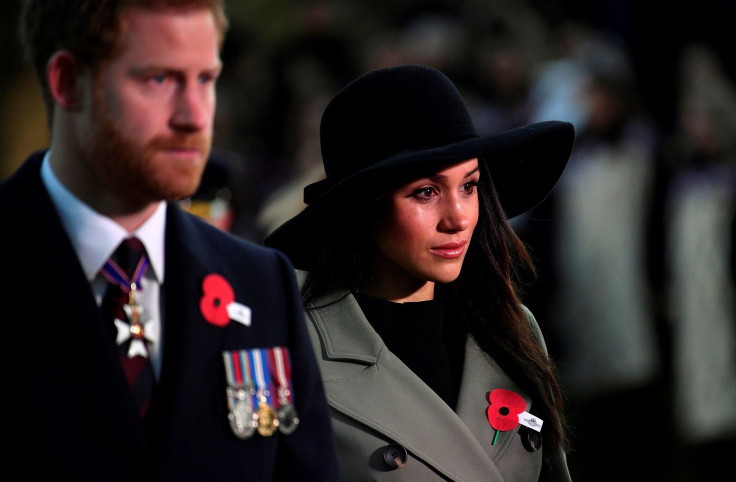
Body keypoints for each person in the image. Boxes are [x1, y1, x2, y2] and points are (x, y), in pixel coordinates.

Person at [1, 1, 339, 480]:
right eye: (158, 80)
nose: (195, 116)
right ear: (67, 82)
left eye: (205, 79)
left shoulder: (260, 284)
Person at [265, 64, 575, 481]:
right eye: (426, 192)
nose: (458, 218)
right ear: (365, 205)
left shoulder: (511, 327)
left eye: (469, 185)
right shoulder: (291, 348)